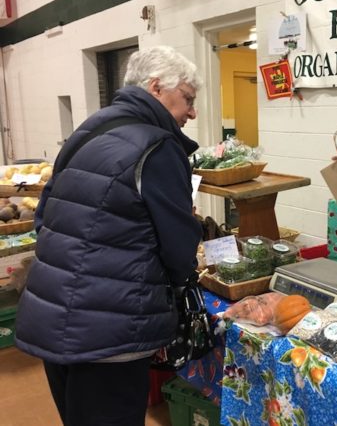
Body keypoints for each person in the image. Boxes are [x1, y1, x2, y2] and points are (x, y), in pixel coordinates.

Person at [15, 46, 204, 426]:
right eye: (188, 99)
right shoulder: (157, 146)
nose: (192, 112)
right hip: (109, 329)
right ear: (156, 88)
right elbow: (180, 247)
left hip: (53, 317)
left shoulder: (89, 129)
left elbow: (45, 214)